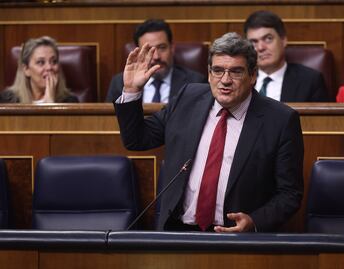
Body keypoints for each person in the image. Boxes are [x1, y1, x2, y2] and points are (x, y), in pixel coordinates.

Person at [114, 32, 304, 232]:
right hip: (178, 231)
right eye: (218, 70)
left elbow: (289, 194)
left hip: (237, 237)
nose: (225, 80)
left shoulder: (280, 120)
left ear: (253, 75)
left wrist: (254, 221)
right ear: (209, 72)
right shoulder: (188, 97)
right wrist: (131, 90)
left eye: (236, 71)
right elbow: (137, 139)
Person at [106, 19, 206, 102]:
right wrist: (131, 91)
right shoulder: (120, 83)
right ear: (139, 52)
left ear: (172, 48)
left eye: (162, 47)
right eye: (149, 50)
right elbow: (110, 121)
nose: (156, 57)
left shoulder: (195, 82)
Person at [244, 10, 329, 102]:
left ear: (283, 40)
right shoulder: (242, 80)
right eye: (253, 42)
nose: (260, 48)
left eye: (268, 39)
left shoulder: (310, 80)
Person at [0, 36, 78, 103]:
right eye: (41, 62)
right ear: (26, 69)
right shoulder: (7, 100)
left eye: (54, 61)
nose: (49, 67)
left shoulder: (69, 101)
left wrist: (50, 102)